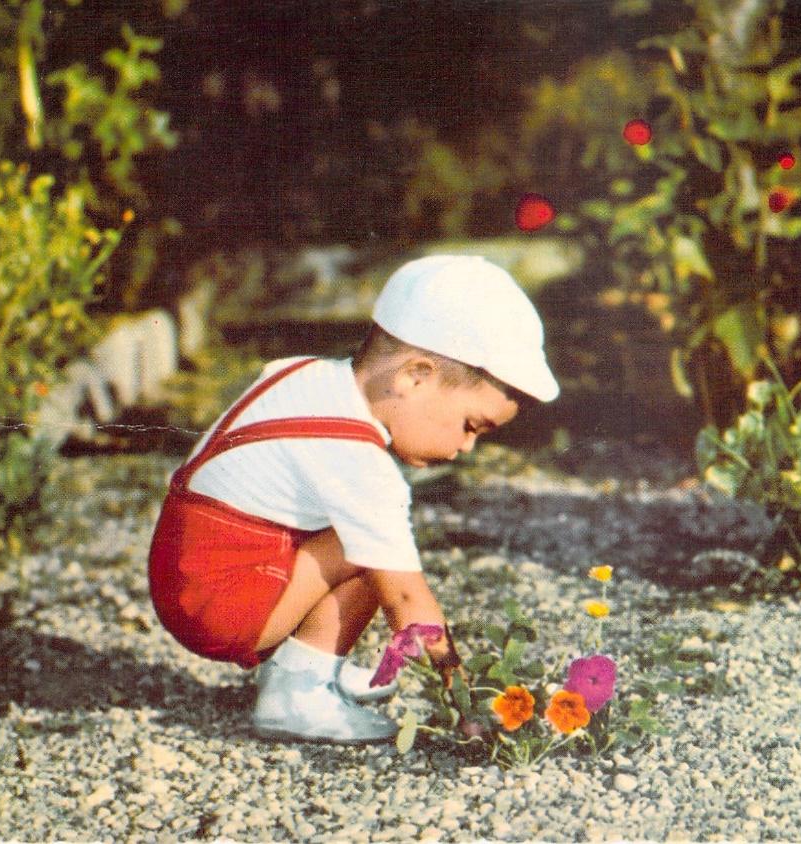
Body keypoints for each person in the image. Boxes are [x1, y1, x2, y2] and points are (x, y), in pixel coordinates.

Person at [148, 255, 559, 743]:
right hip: (219, 603)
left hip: (188, 574)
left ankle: (306, 661)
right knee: (374, 551)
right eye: (471, 426)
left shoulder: (305, 374)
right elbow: (407, 598)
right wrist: (462, 700)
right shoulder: (358, 462)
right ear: (414, 377)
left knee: (368, 538)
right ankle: (297, 692)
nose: (467, 447)